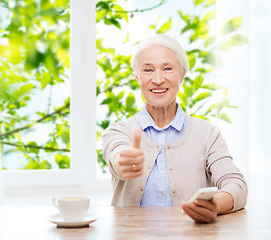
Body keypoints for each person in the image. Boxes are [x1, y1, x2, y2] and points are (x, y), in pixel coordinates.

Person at [102, 34, 247, 223]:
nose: (158, 79)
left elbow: (236, 185)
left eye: (168, 69)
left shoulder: (207, 134)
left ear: (182, 74)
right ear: (136, 76)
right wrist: (124, 161)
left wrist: (215, 205)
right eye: (148, 70)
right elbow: (117, 154)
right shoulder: (119, 131)